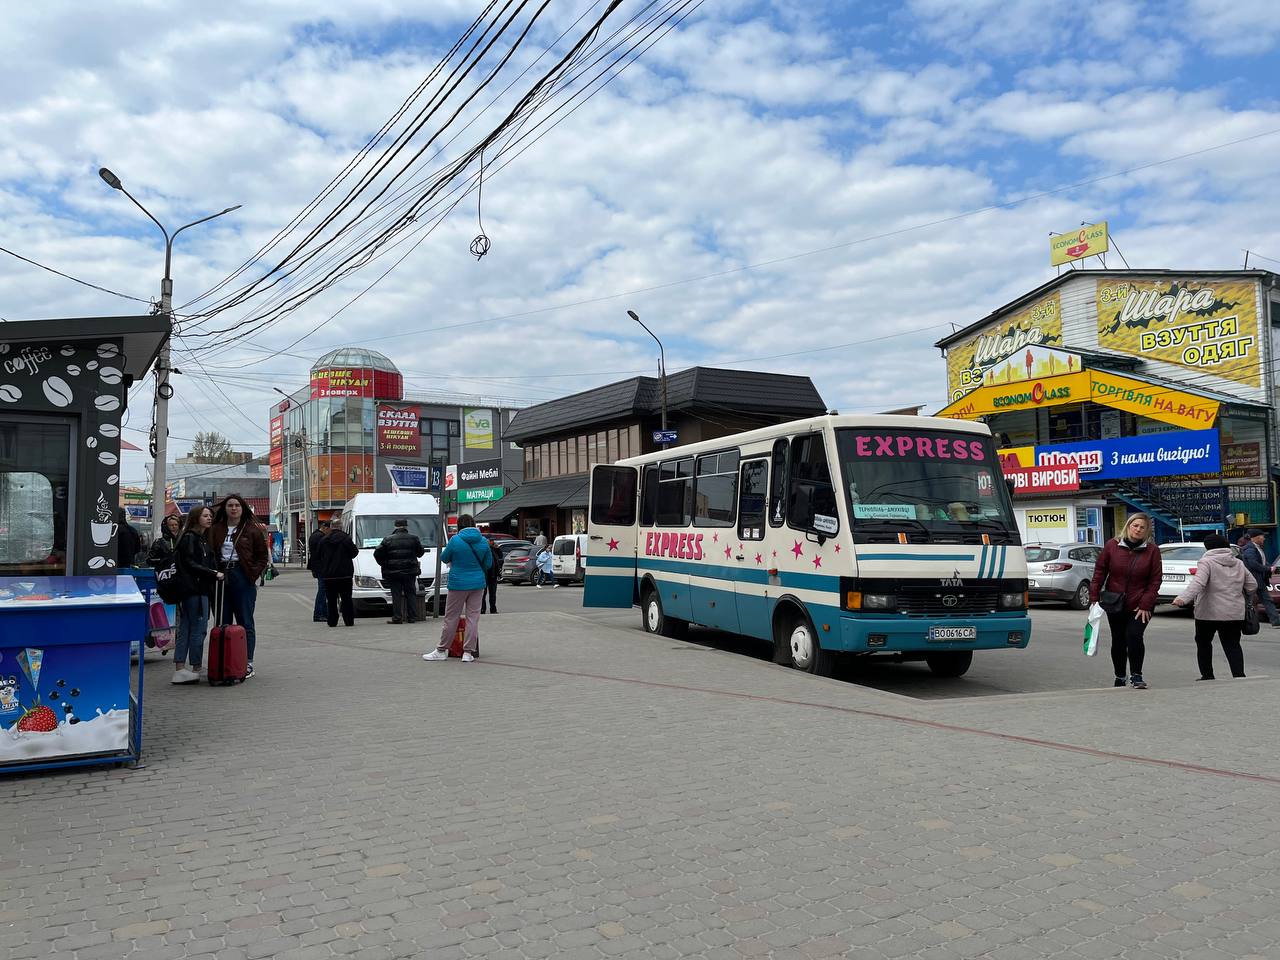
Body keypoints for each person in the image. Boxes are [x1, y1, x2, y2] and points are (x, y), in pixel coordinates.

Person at [1089, 512, 1163, 690]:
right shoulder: (1112, 546)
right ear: (1128, 526)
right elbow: (1100, 572)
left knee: (1134, 636)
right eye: (1135, 525)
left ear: (1146, 531)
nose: (1138, 529)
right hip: (1115, 602)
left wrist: (1146, 603)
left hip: (1141, 604)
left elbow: (1155, 580)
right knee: (1118, 640)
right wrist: (1093, 597)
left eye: (1142, 527)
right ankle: (1120, 676)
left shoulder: (1152, 550)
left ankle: (1137, 675)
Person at [1172, 533, 1254, 680]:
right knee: (1233, 644)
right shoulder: (1238, 563)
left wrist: (1182, 599)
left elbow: (1199, 583)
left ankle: (1207, 675)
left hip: (1208, 612)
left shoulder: (1206, 562)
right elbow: (1252, 585)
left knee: (1203, 643)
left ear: (1207, 547)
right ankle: (1239, 675)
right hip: (1234, 612)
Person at [209, 495, 269, 679]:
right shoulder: (215, 529)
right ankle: (223, 662)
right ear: (225, 508)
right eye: (230, 505)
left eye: (237, 505)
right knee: (221, 621)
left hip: (243, 576)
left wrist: (253, 574)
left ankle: (247, 662)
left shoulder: (251, 530)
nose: (233, 508)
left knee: (245, 620)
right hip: (220, 576)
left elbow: (262, 556)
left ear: (243, 508)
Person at [423, 514, 493, 662]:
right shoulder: (483, 541)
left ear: (459, 526)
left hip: (458, 584)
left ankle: (442, 650)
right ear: (474, 525)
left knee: (451, 618)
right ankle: (468, 652)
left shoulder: (455, 540)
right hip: (478, 584)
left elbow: (444, 558)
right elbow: (488, 564)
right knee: (473, 618)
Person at [173, 507, 222, 684]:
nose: (209, 519)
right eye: (205, 516)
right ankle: (195, 666)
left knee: (186, 627)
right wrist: (212, 573)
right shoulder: (191, 538)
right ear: (196, 518)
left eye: (210, 516)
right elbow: (189, 563)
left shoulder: (199, 539)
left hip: (194, 589)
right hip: (195, 589)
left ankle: (181, 668)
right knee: (197, 628)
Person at [374, 519, 425, 624]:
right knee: (411, 593)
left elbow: (377, 553)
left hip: (393, 572)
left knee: (396, 594)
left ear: (395, 527)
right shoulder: (414, 538)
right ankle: (412, 617)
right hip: (410, 571)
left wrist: (384, 563)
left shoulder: (387, 539)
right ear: (406, 526)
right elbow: (420, 553)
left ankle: (397, 617)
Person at [313, 519, 359, 628]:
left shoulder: (323, 540)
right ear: (341, 527)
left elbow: (318, 556)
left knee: (331, 599)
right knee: (347, 598)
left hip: (329, 575)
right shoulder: (346, 539)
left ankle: (332, 621)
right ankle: (349, 620)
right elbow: (354, 553)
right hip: (345, 574)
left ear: (332, 527)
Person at [1239, 528, 1279, 628]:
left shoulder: (1258, 548)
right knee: (1249, 602)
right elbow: (1253, 564)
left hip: (1259, 580)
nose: (1264, 539)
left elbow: (1262, 561)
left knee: (1265, 600)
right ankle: (1244, 621)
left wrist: (1269, 567)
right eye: (1262, 536)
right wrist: (1268, 569)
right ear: (1257, 537)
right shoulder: (1250, 549)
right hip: (1252, 580)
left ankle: (1276, 621)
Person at [307, 521, 330, 622]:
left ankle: (323, 613)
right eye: (329, 530)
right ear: (325, 528)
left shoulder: (314, 535)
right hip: (321, 567)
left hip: (317, 567)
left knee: (323, 590)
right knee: (322, 591)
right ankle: (319, 614)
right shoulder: (320, 537)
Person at [481, 536, 503, 614]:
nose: (492, 542)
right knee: (483, 593)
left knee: (493, 594)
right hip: (484, 575)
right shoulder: (483, 549)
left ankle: (493, 609)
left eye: (493, 540)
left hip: (493, 575)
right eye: (490, 540)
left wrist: (497, 548)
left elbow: (500, 556)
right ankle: (482, 609)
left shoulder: (494, 549)